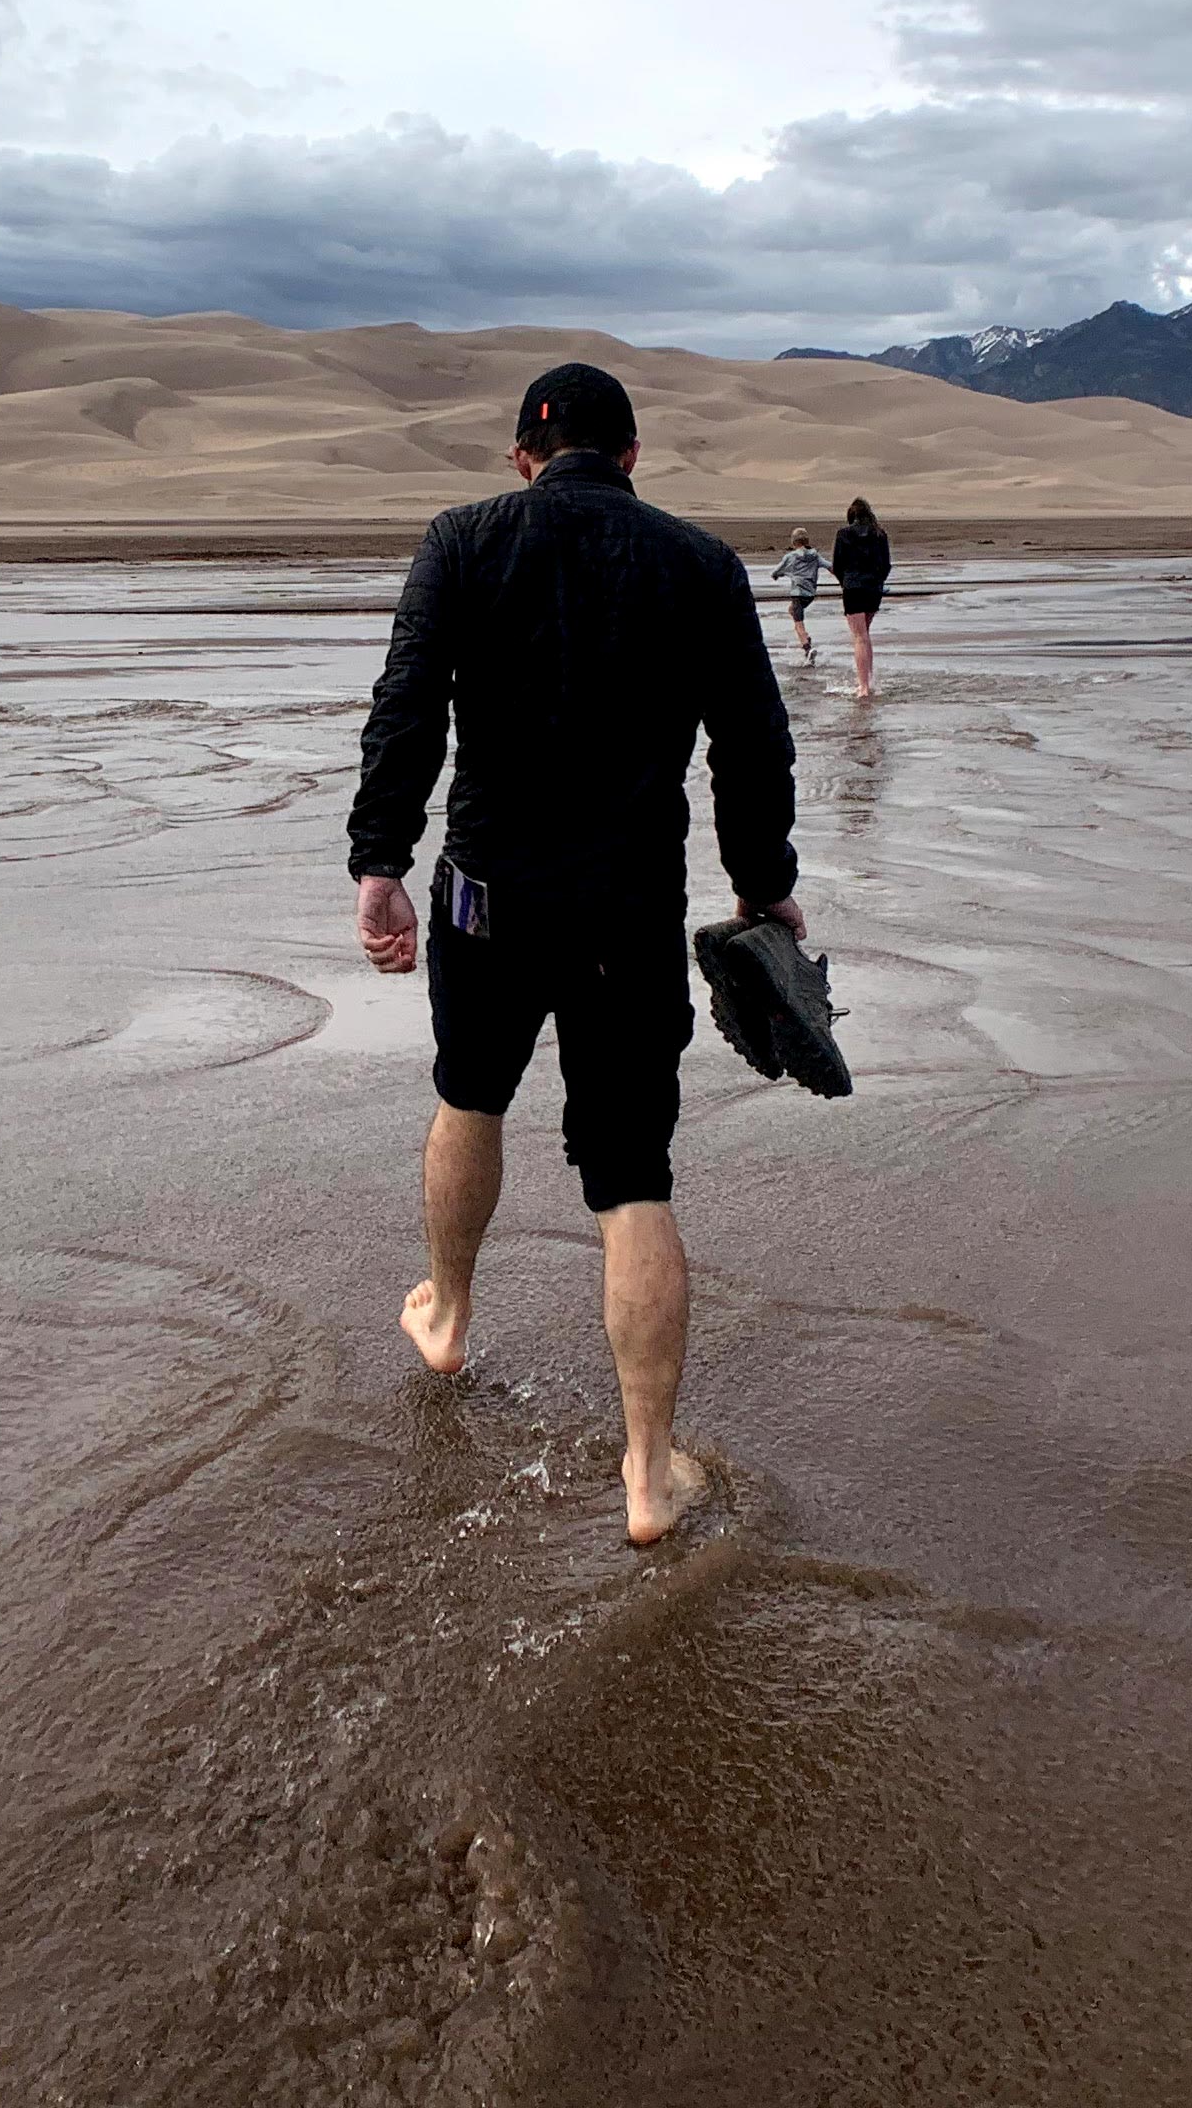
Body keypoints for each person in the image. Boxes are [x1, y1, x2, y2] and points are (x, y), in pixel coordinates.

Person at [349, 360, 801, 1548]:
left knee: (470, 1094)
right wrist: (765, 885)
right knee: (632, 1175)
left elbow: (407, 709)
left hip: (484, 900)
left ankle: (449, 1313)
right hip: (626, 913)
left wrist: (379, 862)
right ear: (634, 458)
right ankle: (648, 1476)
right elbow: (752, 744)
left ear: (522, 458)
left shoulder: (461, 540)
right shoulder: (700, 564)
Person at [829, 497, 891, 698]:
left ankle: (863, 686)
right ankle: (869, 680)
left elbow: (837, 565)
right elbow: (886, 564)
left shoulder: (843, 534)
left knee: (859, 637)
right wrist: (878, 583)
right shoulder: (879, 534)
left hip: (853, 587)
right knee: (865, 634)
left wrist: (845, 582)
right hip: (873, 588)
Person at [767, 525, 826, 661]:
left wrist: (777, 575)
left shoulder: (790, 557)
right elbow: (830, 566)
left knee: (798, 623)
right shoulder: (815, 556)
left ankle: (807, 647)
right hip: (810, 595)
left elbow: (776, 571)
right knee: (791, 610)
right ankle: (806, 638)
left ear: (794, 542)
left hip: (798, 594)